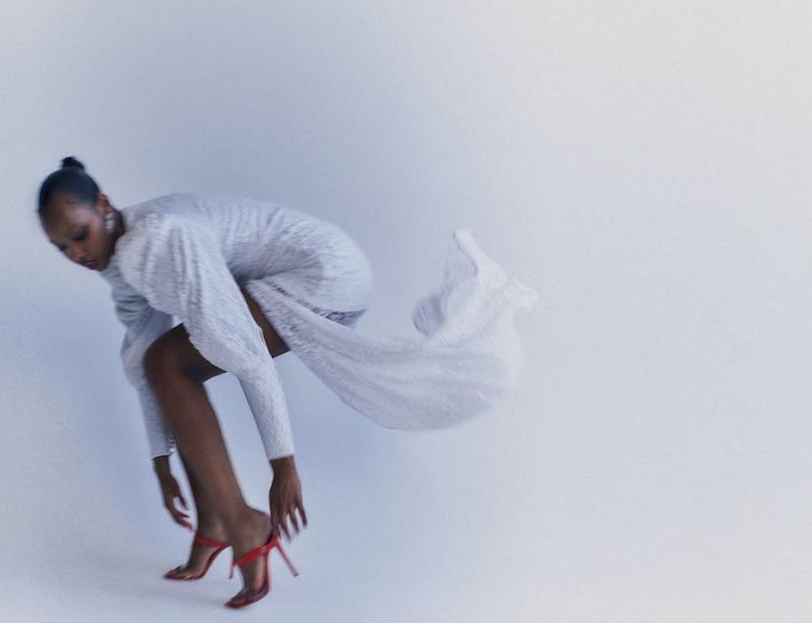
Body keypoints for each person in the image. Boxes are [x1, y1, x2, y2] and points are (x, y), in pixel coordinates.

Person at [36, 156, 539, 609]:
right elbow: (143, 360)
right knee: (162, 363)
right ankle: (214, 522)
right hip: (306, 269)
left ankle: (245, 526)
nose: (77, 254)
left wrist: (284, 465)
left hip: (325, 272)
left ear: (103, 206)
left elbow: (249, 354)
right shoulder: (122, 261)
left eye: (79, 235)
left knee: (172, 364)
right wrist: (159, 459)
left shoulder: (162, 241)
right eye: (62, 247)